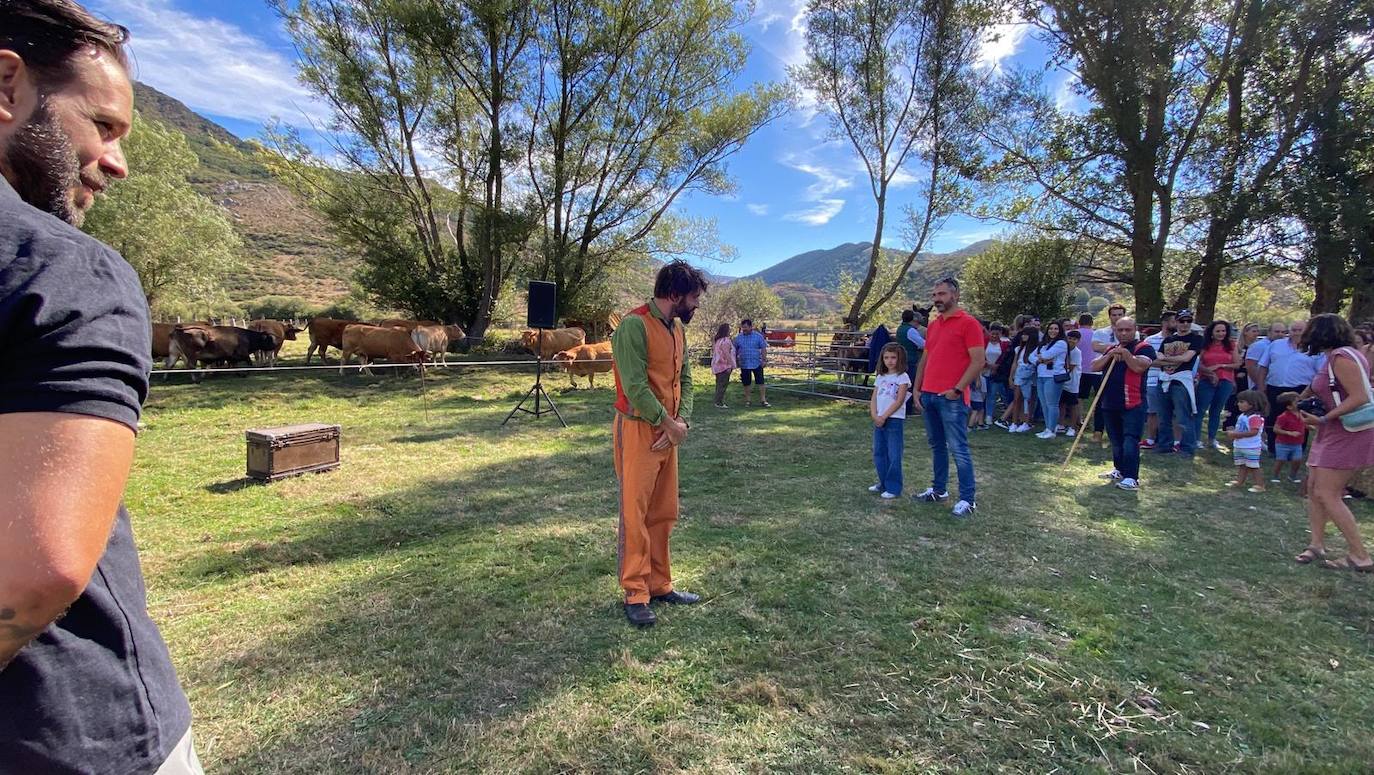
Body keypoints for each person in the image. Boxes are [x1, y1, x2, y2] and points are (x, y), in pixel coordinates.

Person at [0, 2, 201, 772]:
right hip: (77, 732)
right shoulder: (59, 269)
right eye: (105, 126)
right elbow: (39, 568)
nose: (116, 163)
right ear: (8, 83)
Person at [610, 260, 705, 627]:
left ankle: (660, 584)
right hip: (638, 431)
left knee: (663, 512)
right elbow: (634, 386)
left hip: (670, 432)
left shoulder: (677, 329)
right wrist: (667, 422)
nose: (696, 305)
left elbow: (687, 380)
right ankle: (635, 592)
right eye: (693, 298)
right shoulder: (634, 326)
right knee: (635, 513)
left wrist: (682, 422)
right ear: (674, 294)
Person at [1292, 314, 1374, 571]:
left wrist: (1324, 418)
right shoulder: (1339, 355)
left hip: (1346, 431)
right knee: (1315, 487)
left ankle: (1359, 556)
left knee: (1328, 493)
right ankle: (1316, 544)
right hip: (1333, 430)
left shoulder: (1343, 357)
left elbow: (1359, 397)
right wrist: (1303, 399)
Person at [911, 277, 985, 517]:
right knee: (937, 446)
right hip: (930, 394)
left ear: (955, 295)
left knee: (958, 448)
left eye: (941, 294)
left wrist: (957, 389)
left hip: (951, 397)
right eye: (934, 295)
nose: (936, 300)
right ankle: (938, 489)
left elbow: (978, 361)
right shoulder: (934, 325)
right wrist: (917, 388)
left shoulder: (969, 324)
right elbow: (926, 358)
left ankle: (967, 499)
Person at [1091, 317, 1155, 491]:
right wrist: (1110, 355)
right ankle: (1119, 469)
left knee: (1130, 440)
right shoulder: (1112, 348)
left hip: (1133, 402)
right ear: (1115, 331)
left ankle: (1132, 477)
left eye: (1127, 330)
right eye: (1120, 330)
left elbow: (1139, 367)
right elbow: (1094, 367)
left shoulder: (1145, 348)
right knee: (1116, 440)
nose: (1124, 333)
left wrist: (1126, 354)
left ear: (1135, 329)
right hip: (1110, 402)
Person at [1257, 319, 1320, 454]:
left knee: (1299, 420)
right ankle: (1273, 449)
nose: (1296, 333)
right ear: (1289, 332)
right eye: (1293, 330)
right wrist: (1261, 387)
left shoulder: (1315, 348)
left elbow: (1320, 373)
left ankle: (1297, 450)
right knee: (1273, 418)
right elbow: (1263, 366)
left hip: (1301, 390)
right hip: (1275, 387)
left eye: (1300, 330)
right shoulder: (1276, 345)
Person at [1154, 309, 1205, 457]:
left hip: (1181, 380)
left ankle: (1187, 448)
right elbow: (1156, 359)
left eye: (1188, 321)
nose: (1185, 324)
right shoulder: (1168, 340)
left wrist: (1165, 359)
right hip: (1164, 378)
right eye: (1182, 321)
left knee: (1183, 416)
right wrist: (1164, 359)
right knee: (1163, 416)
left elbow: (1186, 359)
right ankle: (1164, 445)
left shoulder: (1195, 339)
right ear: (1176, 322)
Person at [868, 343, 911, 499]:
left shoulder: (902, 377)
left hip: (893, 419)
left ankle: (894, 487)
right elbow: (874, 398)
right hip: (879, 419)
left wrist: (884, 416)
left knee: (894, 453)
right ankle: (883, 482)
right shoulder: (880, 377)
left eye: (893, 357)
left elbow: (899, 401)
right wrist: (875, 415)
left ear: (900, 358)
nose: (890, 361)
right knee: (879, 452)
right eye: (886, 357)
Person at [1195, 320, 1241, 451]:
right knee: (1200, 410)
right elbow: (1198, 364)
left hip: (1225, 381)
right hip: (1206, 381)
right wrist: (1209, 373)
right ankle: (1196, 439)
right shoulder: (1205, 345)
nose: (1221, 333)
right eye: (1218, 331)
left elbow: (1237, 364)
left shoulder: (1231, 345)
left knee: (1216, 411)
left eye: (1223, 331)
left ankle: (1212, 439)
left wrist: (1221, 366)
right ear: (1212, 332)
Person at [1087, 305, 1126, 442]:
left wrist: (1110, 348)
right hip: (1102, 371)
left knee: (1120, 402)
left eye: (1120, 314)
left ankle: (1117, 431)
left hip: (1122, 372)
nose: (1117, 317)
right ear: (1109, 316)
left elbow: (1131, 348)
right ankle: (1098, 431)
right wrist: (1114, 349)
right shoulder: (1101, 332)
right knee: (1101, 401)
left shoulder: (1131, 332)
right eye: (1114, 315)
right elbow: (1096, 346)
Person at [1140, 311, 1177, 450]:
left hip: (1174, 380)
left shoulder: (1181, 340)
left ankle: (1175, 442)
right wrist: (1173, 362)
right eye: (1174, 321)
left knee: (1174, 413)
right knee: (1152, 411)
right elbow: (1148, 360)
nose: (1177, 324)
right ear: (1165, 322)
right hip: (1153, 380)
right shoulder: (1150, 340)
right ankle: (1150, 439)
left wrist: (1164, 361)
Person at [1032, 319, 1069, 439]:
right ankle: (1047, 428)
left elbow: (1046, 355)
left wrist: (1042, 358)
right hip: (1041, 375)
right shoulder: (1043, 344)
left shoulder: (1061, 343)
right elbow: (1031, 357)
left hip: (1053, 377)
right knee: (1044, 404)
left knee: (1052, 404)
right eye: (1051, 328)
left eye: (1056, 329)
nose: (1053, 331)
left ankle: (1052, 430)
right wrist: (1041, 360)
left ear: (1060, 330)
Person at [1225, 390, 1268, 492]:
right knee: (1242, 465)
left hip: (1251, 447)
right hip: (1240, 445)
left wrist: (1236, 434)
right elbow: (1241, 428)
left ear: (1252, 404)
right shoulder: (1242, 416)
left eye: (1242, 401)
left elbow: (1254, 432)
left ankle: (1260, 485)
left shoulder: (1254, 417)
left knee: (1253, 466)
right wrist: (1233, 431)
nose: (1238, 404)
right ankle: (1239, 481)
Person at [1004, 326, 1039, 433]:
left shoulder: (1036, 349)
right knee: (1017, 399)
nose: (1023, 336)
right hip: (1019, 375)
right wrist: (1011, 377)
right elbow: (1015, 363)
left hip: (1030, 376)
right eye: (1023, 334)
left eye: (1026, 334)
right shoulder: (1019, 349)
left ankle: (1026, 422)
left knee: (1029, 399)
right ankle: (1014, 422)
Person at [1271, 391, 1306, 485]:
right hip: (1283, 443)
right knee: (1281, 460)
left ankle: (1292, 476)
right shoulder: (1283, 417)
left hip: (1297, 443)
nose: (1300, 404)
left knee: (1297, 460)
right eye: (1296, 402)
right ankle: (1275, 475)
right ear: (1289, 406)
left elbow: (1302, 424)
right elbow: (1276, 429)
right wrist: (1289, 433)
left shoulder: (1302, 414)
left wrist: (1308, 426)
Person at [733, 318, 769, 407]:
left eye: (745, 327)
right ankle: (748, 401)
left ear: (750, 327)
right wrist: (736, 360)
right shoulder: (739, 337)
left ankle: (763, 400)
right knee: (746, 383)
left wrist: (764, 360)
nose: (744, 329)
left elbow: (763, 348)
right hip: (744, 364)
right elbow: (734, 349)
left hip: (757, 363)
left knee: (760, 382)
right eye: (742, 327)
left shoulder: (758, 336)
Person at [896, 307, 925, 412]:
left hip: (902, 359)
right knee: (910, 384)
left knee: (902, 384)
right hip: (910, 360)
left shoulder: (900, 328)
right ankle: (908, 409)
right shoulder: (910, 330)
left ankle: (902, 407)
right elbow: (922, 344)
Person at [1060, 329, 1084, 436]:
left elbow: (1070, 367)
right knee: (1061, 404)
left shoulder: (1077, 352)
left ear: (1078, 341)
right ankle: (1061, 424)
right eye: (1069, 338)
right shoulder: (1064, 349)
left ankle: (1072, 427)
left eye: (1074, 339)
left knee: (1072, 405)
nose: (1071, 341)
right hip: (1062, 383)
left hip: (1072, 383)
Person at [710, 322, 736, 408]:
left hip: (717, 365)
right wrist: (730, 365)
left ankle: (717, 401)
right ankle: (719, 402)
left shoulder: (718, 341)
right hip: (724, 366)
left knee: (719, 384)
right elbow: (726, 354)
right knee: (723, 384)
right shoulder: (726, 341)